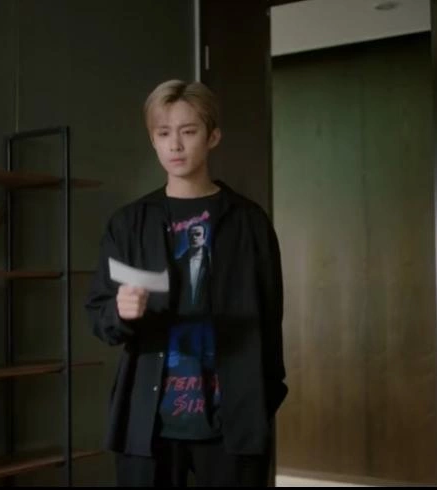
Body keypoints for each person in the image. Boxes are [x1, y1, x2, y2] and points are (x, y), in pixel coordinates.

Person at [84, 79, 287, 487]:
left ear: (213, 137)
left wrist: (264, 399)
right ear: (153, 141)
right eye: (163, 134)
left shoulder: (249, 222)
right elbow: (99, 315)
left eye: (188, 131)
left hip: (233, 420)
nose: (175, 145)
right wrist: (120, 313)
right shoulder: (129, 223)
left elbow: (270, 318)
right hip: (148, 423)